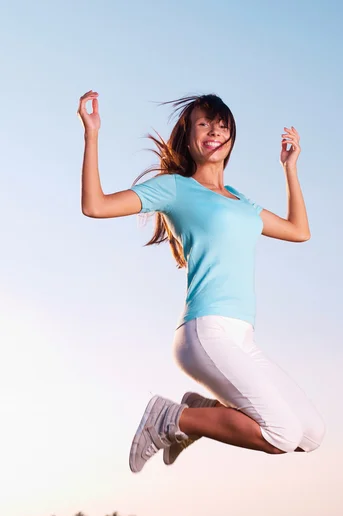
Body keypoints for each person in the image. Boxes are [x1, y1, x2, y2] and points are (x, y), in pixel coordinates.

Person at [77, 90, 326, 474]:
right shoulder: (176, 189)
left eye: (222, 125)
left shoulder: (241, 201)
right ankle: (171, 417)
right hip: (204, 331)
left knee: (310, 434)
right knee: (281, 433)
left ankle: (198, 411)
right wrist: (91, 135)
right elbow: (95, 205)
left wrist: (289, 169)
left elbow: (299, 230)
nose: (214, 131)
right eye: (204, 123)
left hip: (242, 337)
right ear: (188, 136)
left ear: (232, 138)